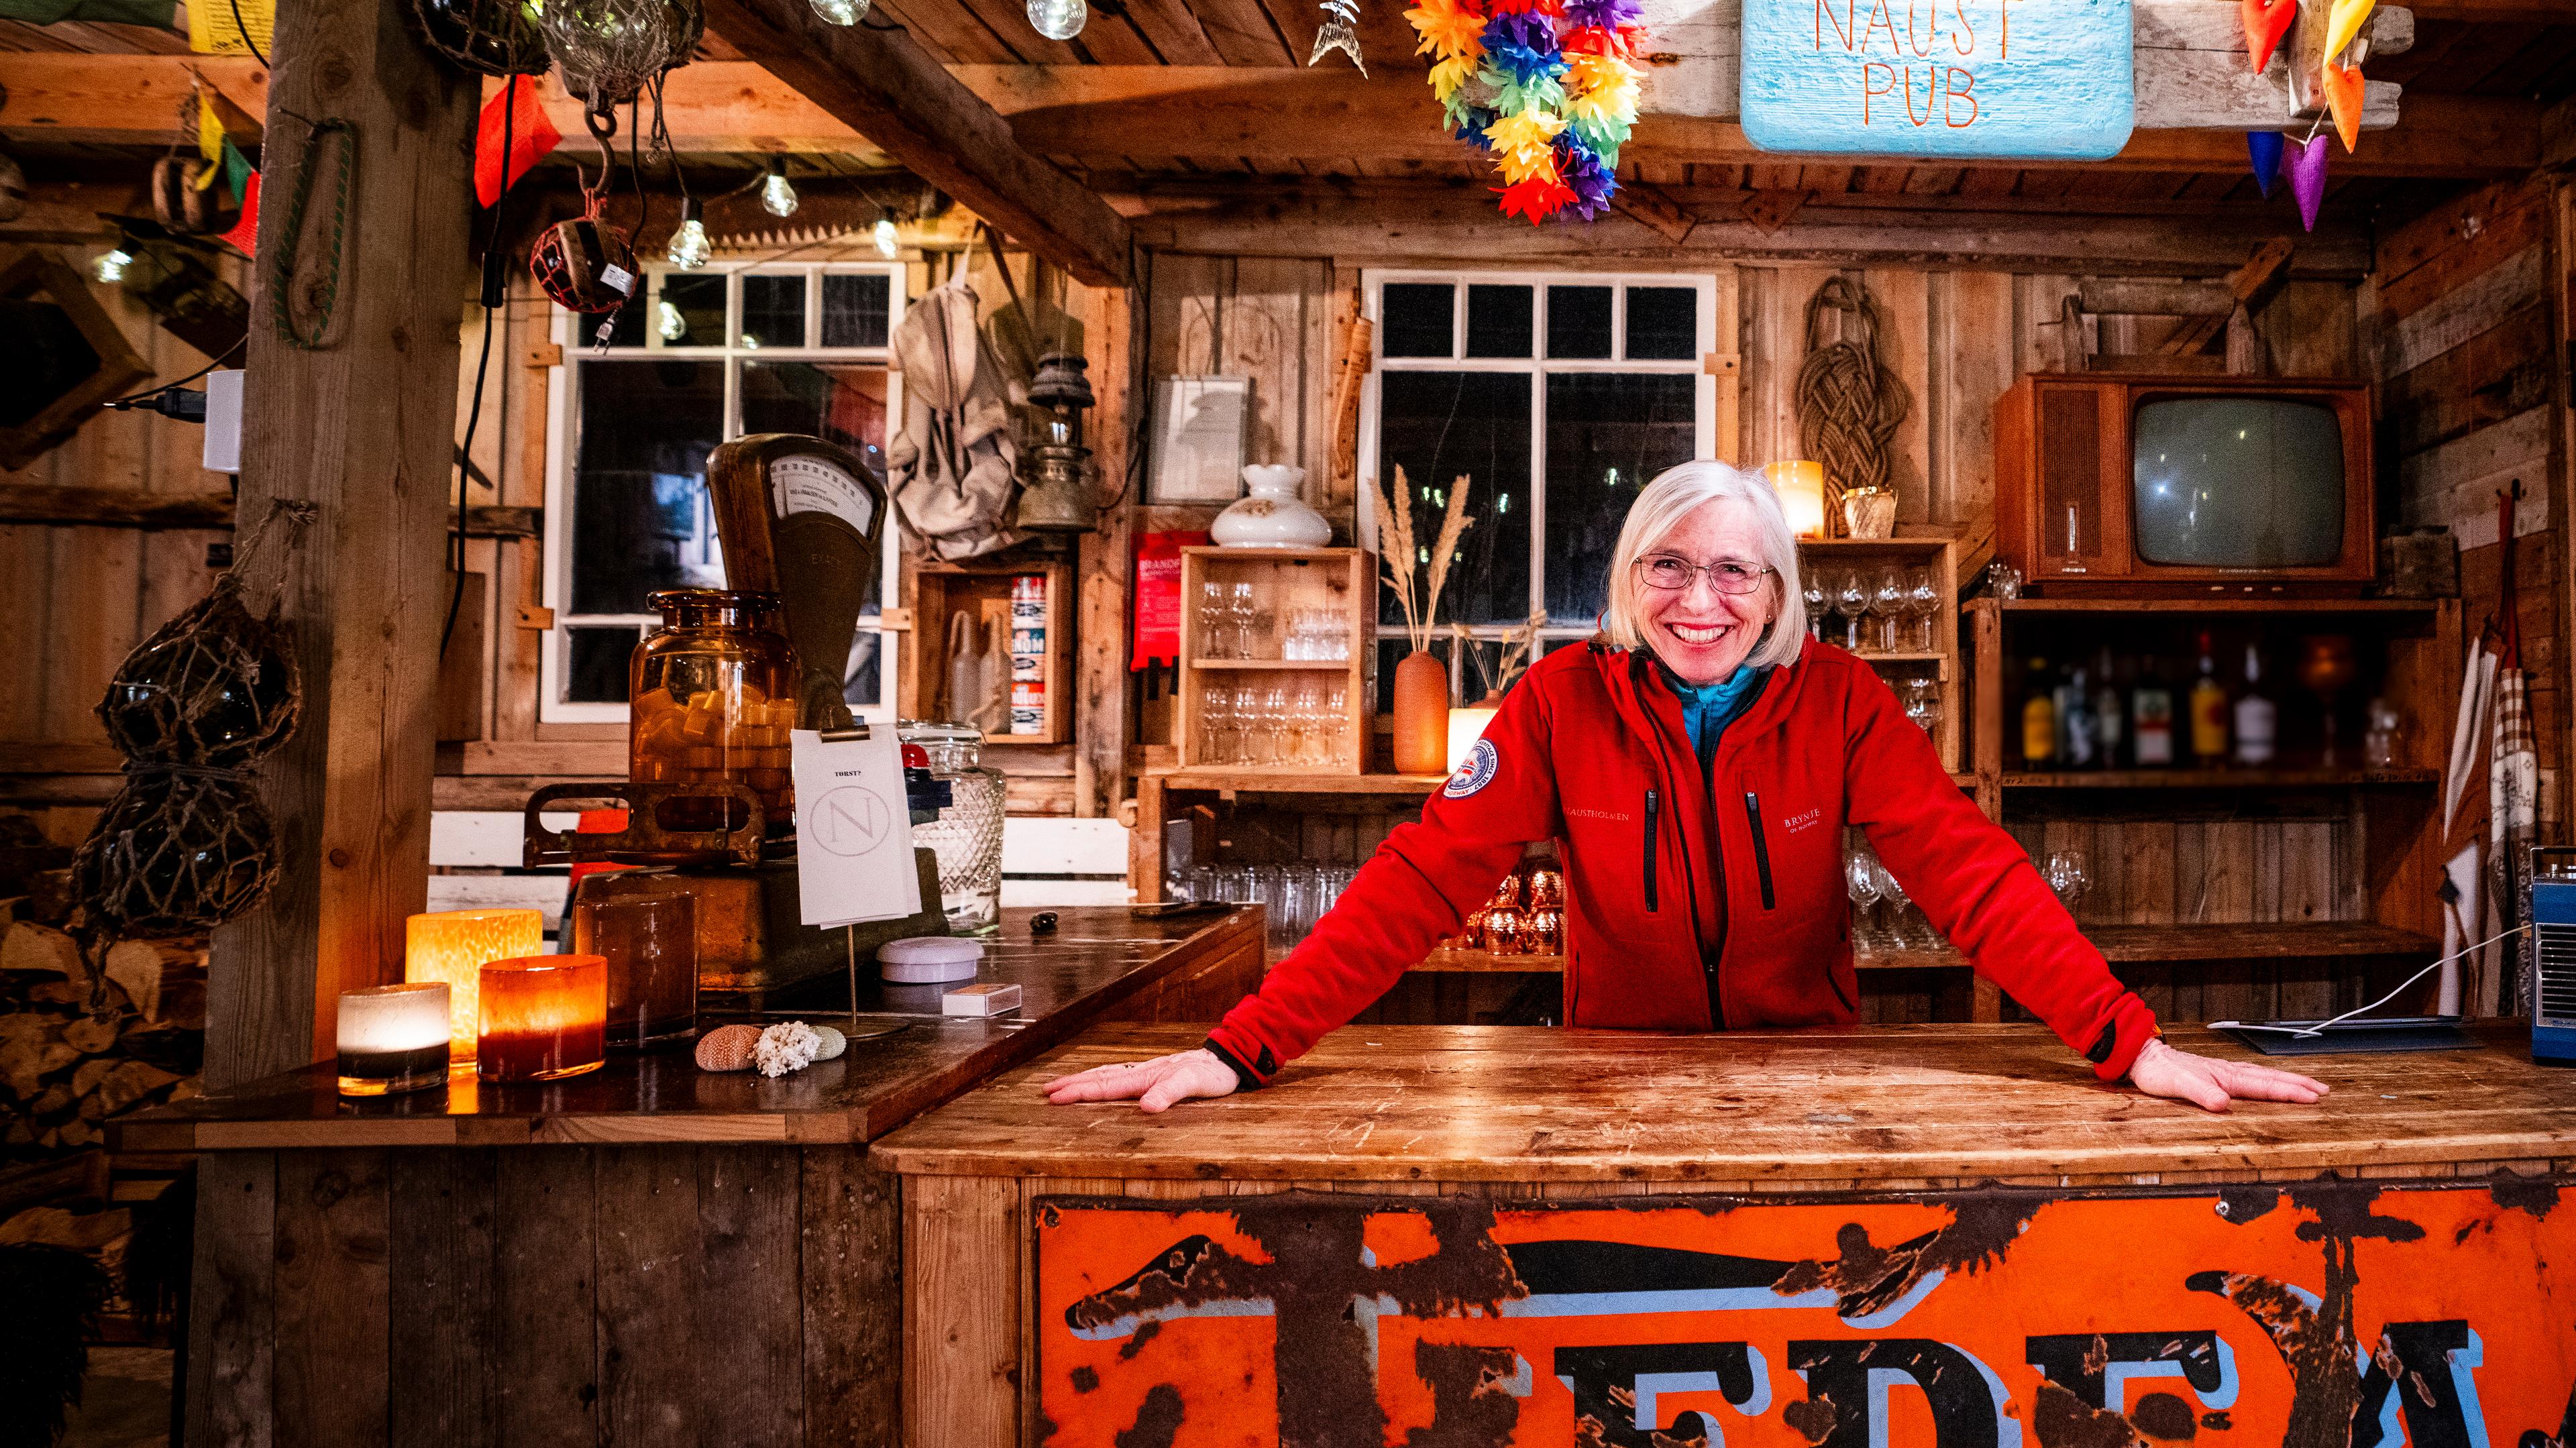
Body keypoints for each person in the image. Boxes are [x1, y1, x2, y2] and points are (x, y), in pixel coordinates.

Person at [1050, 461, 2328, 1115]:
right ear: (1627, 579)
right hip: (1602, 1083)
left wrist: (2127, 1042)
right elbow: (1422, 875)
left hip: (1817, 1087)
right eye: (1669, 568)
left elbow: (1968, 871)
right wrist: (1243, 1047)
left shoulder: (1841, 700)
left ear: (1777, 592)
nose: (1700, 602)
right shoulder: (1559, 702)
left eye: (1736, 573)